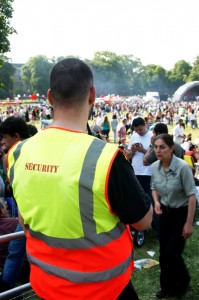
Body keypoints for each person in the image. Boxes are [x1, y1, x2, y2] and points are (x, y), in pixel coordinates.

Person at [7, 58, 152, 300]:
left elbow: (24, 218)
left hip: (47, 286)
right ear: (93, 95)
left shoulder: (19, 152)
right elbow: (143, 222)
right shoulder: (105, 157)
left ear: (50, 97)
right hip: (104, 290)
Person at [151, 134, 196, 299]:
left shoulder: (182, 168)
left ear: (171, 148)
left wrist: (188, 223)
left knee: (172, 253)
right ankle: (167, 287)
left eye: (162, 147)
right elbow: (154, 187)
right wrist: (156, 201)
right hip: (164, 213)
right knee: (164, 253)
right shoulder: (155, 167)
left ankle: (183, 282)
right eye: (156, 147)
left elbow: (192, 196)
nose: (158, 150)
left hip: (180, 214)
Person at [0, 116, 30, 292]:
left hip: (33, 213)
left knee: (16, 248)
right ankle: (7, 286)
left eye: (4, 137)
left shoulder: (27, 154)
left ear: (16, 136)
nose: (2, 142)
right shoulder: (12, 156)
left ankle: (6, 287)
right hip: (26, 212)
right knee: (16, 248)